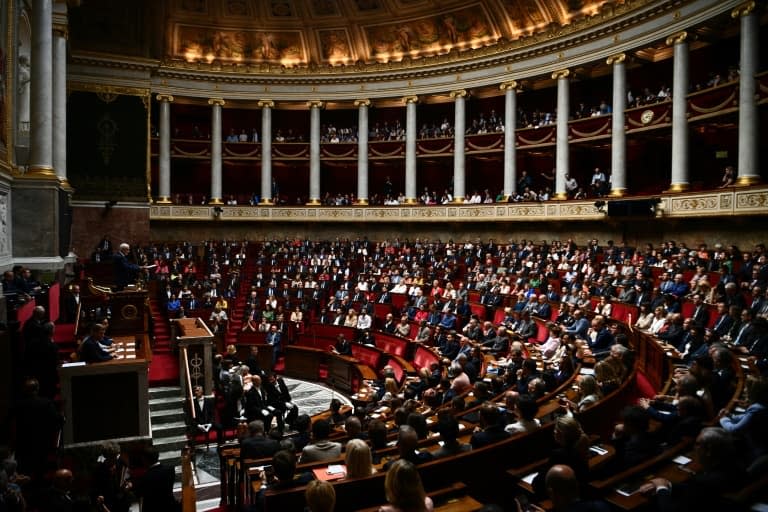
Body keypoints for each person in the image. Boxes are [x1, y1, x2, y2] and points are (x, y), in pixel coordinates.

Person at [129, 446, 178, 512]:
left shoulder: (146, 477)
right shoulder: (170, 469)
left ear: (144, 459)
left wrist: (130, 487)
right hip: (170, 507)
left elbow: (138, 494)